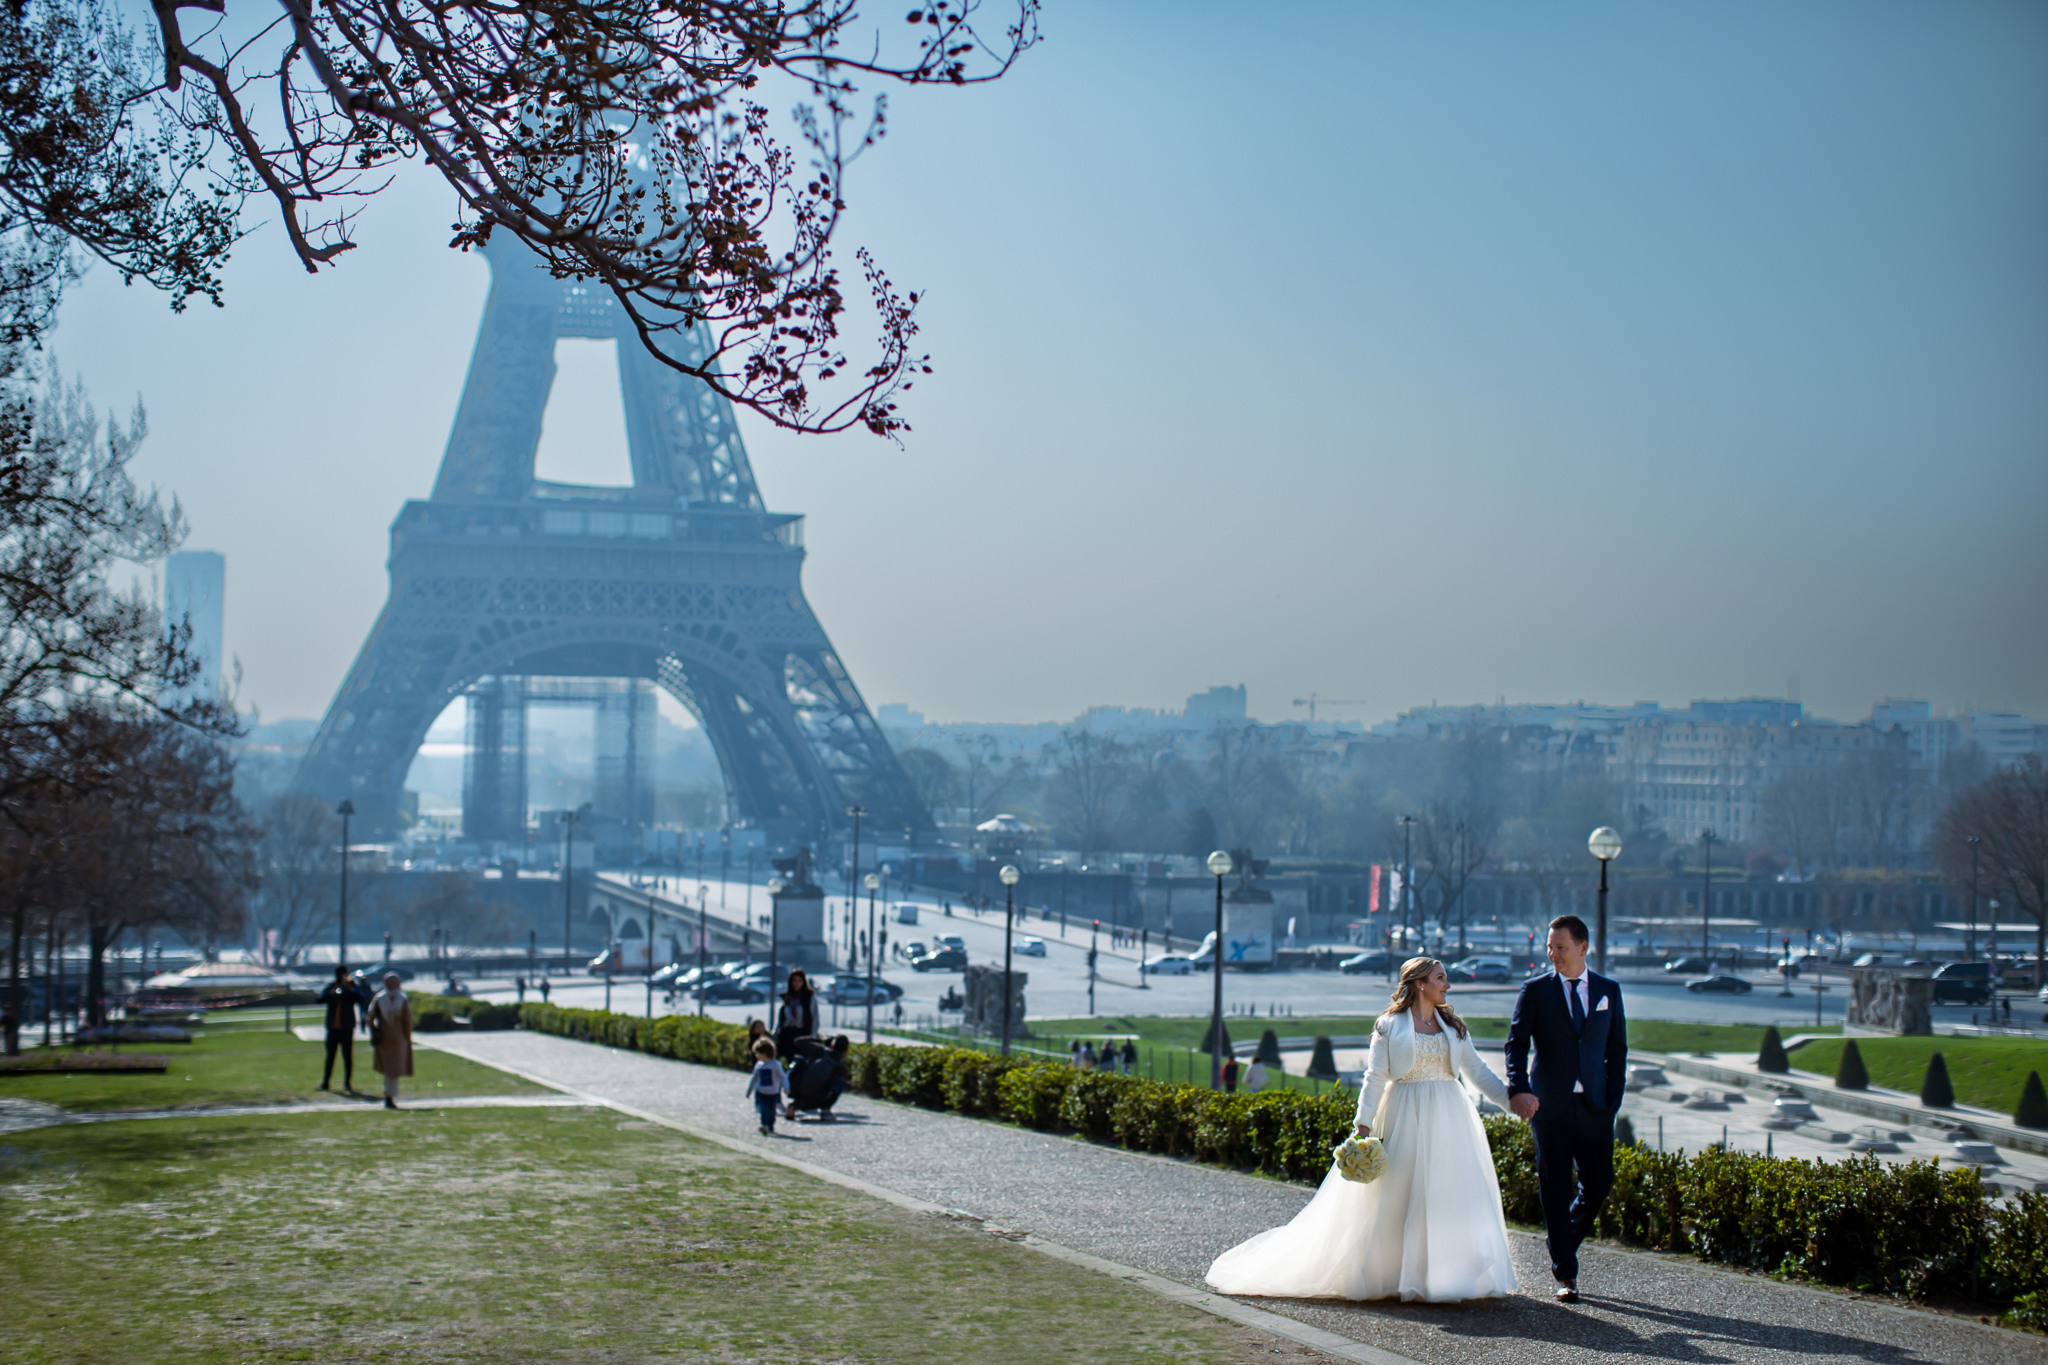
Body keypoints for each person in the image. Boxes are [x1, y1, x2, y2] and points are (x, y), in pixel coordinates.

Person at [1206, 956, 1519, 1302]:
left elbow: (1478, 1072)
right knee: (1400, 1196)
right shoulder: (1389, 1026)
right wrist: (1363, 1125)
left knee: (1446, 1196)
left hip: (1449, 1117)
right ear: (1419, 984)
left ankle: (1445, 1276)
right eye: (1440, 978)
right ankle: (1397, 1275)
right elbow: (1375, 1078)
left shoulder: (1454, 1027)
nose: (1447, 984)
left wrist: (1513, 1102)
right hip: (1403, 1114)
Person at [1505, 914, 1627, 1304]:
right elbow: (1516, 1045)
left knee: (1599, 1184)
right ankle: (1566, 1274)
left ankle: (1560, 1242)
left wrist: (1612, 1099)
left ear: (1582, 948)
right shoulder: (1535, 990)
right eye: (1550, 948)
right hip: (1550, 1108)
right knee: (1555, 1188)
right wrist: (1519, 1089)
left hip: (1595, 1107)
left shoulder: (1608, 990)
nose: (1553, 955)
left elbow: (1617, 1051)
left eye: (1561, 948)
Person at [316, 965, 368, 1092]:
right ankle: (326, 1082)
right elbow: (319, 999)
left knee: (348, 1056)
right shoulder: (331, 986)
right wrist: (331, 993)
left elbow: (362, 998)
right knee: (330, 1056)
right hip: (333, 1028)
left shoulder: (351, 987)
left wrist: (349, 989)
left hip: (347, 1027)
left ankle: (347, 1083)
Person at [367, 972, 414, 1111]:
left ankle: (389, 1094)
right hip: (396, 1037)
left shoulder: (380, 998)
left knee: (390, 1069)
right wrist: (407, 1036)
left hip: (387, 1037)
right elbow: (408, 1021)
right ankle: (390, 1094)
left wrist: (375, 1031)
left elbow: (370, 1019)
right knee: (393, 1069)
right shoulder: (401, 998)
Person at [746, 1037, 789, 1135]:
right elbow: (754, 1078)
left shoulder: (775, 1064)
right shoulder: (759, 1065)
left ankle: (770, 1126)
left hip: (773, 1092)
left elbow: (782, 1076)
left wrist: (786, 1087)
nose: (756, 1056)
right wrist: (750, 1090)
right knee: (764, 1109)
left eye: (757, 1053)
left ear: (764, 1053)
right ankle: (765, 1125)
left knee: (772, 1111)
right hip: (761, 1092)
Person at [775, 970, 817, 1059]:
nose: (796, 983)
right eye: (794, 980)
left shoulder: (809, 996)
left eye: (799, 981)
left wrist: (813, 1035)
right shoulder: (786, 997)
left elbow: (814, 1017)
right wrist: (776, 1033)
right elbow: (781, 1017)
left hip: (802, 1034)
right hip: (787, 1034)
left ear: (803, 982)